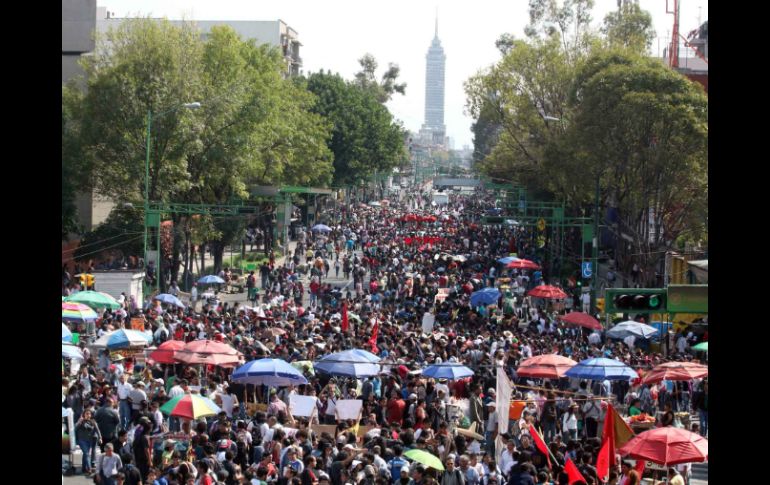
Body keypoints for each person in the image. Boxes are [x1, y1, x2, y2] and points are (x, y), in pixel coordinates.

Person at [76, 408, 102, 476]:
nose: (88, 415)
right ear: (84, 414)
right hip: (81, 440)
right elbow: (75, 428)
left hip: (89, 441)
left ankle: (84, 468)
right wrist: (79, 422)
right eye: (86, 414)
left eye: (89, 414)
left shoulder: (93, 421)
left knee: (85, 454)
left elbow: (98, 430)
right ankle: (89, 468)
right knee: (87, 453)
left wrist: (100, 438)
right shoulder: (81, 421)